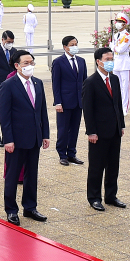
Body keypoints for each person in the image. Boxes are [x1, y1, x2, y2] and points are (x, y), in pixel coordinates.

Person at [0, 50, 50, 225]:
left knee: (32, 175)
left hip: (34, 137)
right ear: (17, 66)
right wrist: (8, 139)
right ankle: (11, 210)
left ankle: (30, 207)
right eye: (26, 63)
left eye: (31, 62)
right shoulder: (8, 85)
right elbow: (4, 115)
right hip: (16, 139)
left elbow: (42, 111)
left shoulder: (38, 83)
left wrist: (45, 134)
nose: (29, 66)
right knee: (12, 176)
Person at [82, 47, 126, 210]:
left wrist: (121, 125)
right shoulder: (91, 82)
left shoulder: (114, 79)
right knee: (97, 166)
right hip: (99, 132)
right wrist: (91, 131)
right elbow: (88, 109)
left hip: (114, 130)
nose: (110, 62)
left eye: (111, 59)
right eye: (107, 59)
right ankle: (94, 197)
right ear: (98, 62)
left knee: (113, 165)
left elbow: (118, 104)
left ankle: (111, 196)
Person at [50, 35, 86, 166]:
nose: (74, 47)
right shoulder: (58, 62)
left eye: (76, 44)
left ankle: (71, 153)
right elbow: (56, 84)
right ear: (65, 47)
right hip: (65, 102)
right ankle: (62, 154)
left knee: (74, 129)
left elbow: (84, 82)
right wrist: (58, 102)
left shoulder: (81, 61)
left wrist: (85, 99)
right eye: (72, 45)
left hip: (78, 101)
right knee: (63, 129)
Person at [108, 14, 130, 116]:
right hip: (116, 62)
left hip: (124, 63)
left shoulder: (127, 36)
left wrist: (112, 47)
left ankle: (124, 108)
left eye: (120, 22)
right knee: (115, 86)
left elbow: (121, 49)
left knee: (125, 87)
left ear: (124, 24)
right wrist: (113, 47)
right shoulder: (115, 35)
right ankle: (116, 107)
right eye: (117, 21)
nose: (117, 23)